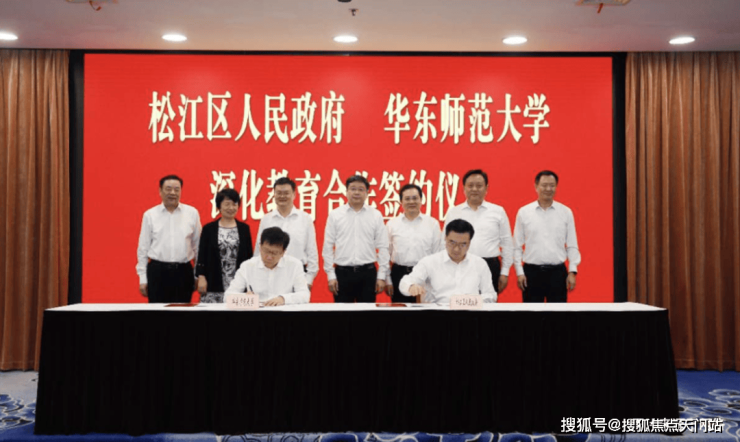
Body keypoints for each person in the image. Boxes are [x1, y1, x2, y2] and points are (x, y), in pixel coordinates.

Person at [513, 170, 581, 303]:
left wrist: (572, 271)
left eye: (552, 185)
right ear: (536, 186)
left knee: (557, 314)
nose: (548, 189)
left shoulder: (566, 212)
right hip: (531, 273)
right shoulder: (524, 212)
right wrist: (520, 272)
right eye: (544, 185)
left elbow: (572, 245)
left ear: (556, 187)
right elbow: (516, 246)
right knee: (531, 313)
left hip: (557, 273)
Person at [444, 169, 513, 295]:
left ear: (486, 188)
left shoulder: (498, 211)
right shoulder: (454, 212)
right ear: (464, 188)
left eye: (479, 185)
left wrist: (505, 272)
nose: (474, 189)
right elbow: (444, 243)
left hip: (490, 265)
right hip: (460, 265)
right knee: (461, 303)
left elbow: (507, 243)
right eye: (470, 186)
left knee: (488, 304)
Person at [322, 175, 390, 303]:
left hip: (368, 273)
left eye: (361, 189)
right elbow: (328, 246)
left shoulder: (376, 215)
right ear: (346, 191)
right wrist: (330, 275)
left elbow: (383, 246)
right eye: (353, 189)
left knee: (366, 314)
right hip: (342, 274)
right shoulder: (335, 215)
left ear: (367, 193)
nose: (357, 192)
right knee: (342, 313)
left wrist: (381, 276)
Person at [136, 174, 201, 303]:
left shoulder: (192, 213)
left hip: (183, 272)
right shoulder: (150, 215)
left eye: (177, 189)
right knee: (157, 313)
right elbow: (143, 249)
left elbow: (197, 246)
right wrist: (142, 278)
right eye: (168, 189)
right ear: (160, 191)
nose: (172, 193)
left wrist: (197, 274)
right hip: (157, 272)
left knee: (182, 312)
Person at [400, 219, 497, 304]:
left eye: (462, 244)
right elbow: (405, 282)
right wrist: (411, 286)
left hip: (470, 314)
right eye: (452, 243)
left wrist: (473, 301)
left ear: (469, 243)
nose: (456, 249)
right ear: (445, 238)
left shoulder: (480, 264)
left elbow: (490, 295)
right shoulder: (429, 262)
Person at [254, 176, 319, 289]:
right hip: (269, 275)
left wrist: (308, 280)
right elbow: (258, 250)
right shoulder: (267, 219)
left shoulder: (305, 219)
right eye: (279, 193)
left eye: (286, 193)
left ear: (294, 194)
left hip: (297, 276)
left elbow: (312, 251)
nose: (282, 196)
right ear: (274, 195)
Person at [385, 183, 442, 303]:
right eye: (407, 199)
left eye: (415, 198)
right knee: (400, 310)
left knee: (425, 310)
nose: (411, 202)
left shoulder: (432, 224)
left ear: (421, 200)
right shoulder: (392, 224)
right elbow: (385, 254)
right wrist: (388, 280)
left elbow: (437, 254)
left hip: (425, 274)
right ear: (401, 201)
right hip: (399, 273)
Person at [195, 188, 253, 303]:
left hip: (239, 285)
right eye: (227, 204)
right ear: (219, 206)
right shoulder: (209, 229)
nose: (231, 208)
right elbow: (202, 255)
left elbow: (249, 257)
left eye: (234, 204)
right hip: (213, 282)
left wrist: (250, 283)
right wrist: (201, 276)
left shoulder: (244, 229)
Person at [226, 227, 310, 306]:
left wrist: (283, 299)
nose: (269, 257)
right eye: (266, 251)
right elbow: (227, 296)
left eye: (274, 253)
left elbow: (305, 295)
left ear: (283, 252)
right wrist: (245, 298)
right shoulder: (247, 266)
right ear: (260, 247)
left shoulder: (294, 265)